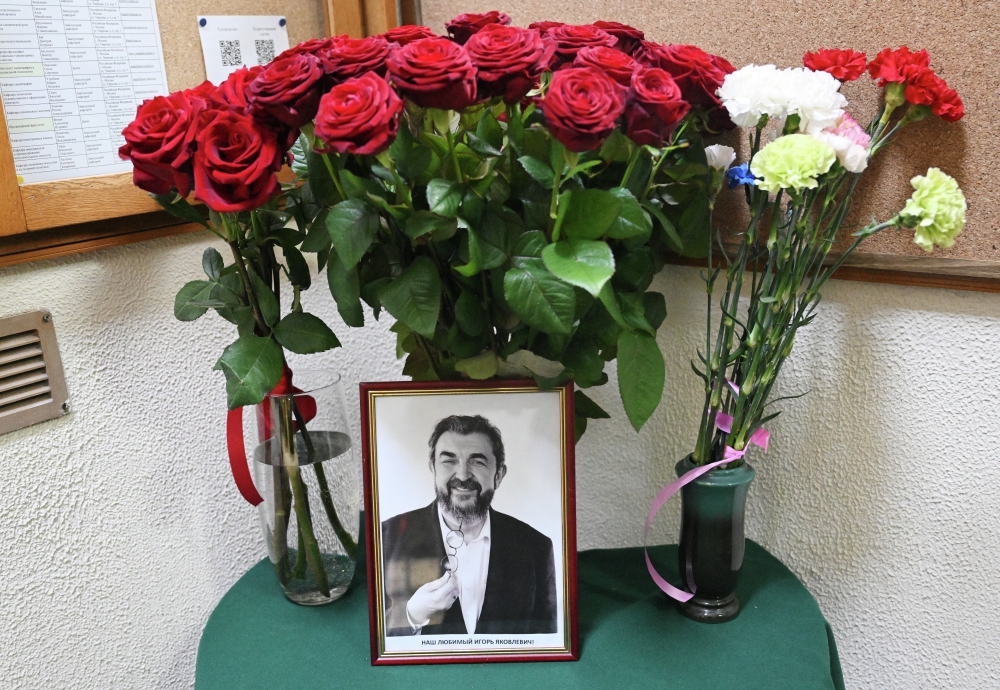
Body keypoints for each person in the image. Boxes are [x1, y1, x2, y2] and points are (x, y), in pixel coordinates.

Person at [380, 414, 558, 637]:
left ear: (499, 475)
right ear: (433, 468)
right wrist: (412, 615)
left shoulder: (537, 547)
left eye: (477, 462)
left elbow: (547, 639)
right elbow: (374, 634)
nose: (463, 475)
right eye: (449, 461)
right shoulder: (386, 536)